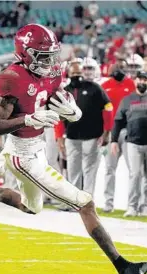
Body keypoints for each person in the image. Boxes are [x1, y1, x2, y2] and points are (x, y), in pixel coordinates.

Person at [0, 24, 147, 274]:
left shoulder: (51, 70)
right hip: (22, 155)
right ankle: (124, 268)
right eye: (43, 56)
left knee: (32, 207)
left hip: (37, 146)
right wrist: (28, 118)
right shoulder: (12, 77)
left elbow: (54, 95)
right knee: (85, 204)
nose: (51, 61)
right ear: (25, 53)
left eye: (52, 54)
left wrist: (72, 110)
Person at [55, 61, 112, 199]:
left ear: (83, 73)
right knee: (73, 170)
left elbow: (108, 108)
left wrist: (107, 131)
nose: (76, 75)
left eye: (79, 73)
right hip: (72, 136)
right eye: (74, 73)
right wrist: (59, 137)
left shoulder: (95, 88)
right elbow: (57, 115)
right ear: (68, 74)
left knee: (89, 170)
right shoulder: (64, 91)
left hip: (92, 136)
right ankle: (74, 200)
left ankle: (87, 200)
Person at [111, 71, 147, 217]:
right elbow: (118, 121)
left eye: (145, 79)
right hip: (132, 142)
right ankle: (132, 206)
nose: (142, 82)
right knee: (135, 175)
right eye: (140, 79)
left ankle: (144, 206)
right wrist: (114, 140)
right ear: (135, 81)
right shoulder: (127, 100)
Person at [101, 60, 136, 213]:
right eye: (117, 67)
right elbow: (100, 110)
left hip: (127, 130)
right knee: (110, 169)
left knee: (133, 169)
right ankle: (108, 204)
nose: (119, 69)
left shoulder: (132, 84)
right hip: (110, 131)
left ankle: (132, 205)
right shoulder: (105, 85)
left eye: (122, 67)